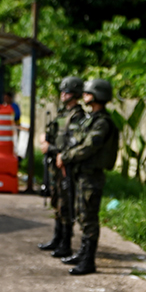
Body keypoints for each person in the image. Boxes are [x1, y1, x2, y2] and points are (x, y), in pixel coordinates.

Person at [57, 78, 119, 275]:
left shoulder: (102, 122)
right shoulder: (91, 118)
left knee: (89, 218)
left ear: (97, 94)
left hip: (91, 177)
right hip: (81, 174)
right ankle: (82, 253)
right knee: (81, 215)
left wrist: (65, 156)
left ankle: (88, 261)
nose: (83, 95)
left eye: (87, 92)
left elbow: (88, 147)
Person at [38, 76, 87, 258]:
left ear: (74, 94)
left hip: (66, 167)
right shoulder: (61, 115)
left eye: (66, 92)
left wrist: (50, 147)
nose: (62, 95)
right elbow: (51, 133)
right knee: (57, 202)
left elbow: (72, 145)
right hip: (55, 166)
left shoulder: (78, 117)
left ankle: (65, 243)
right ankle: (57, 238)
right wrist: (45, 139)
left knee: (66, 204)